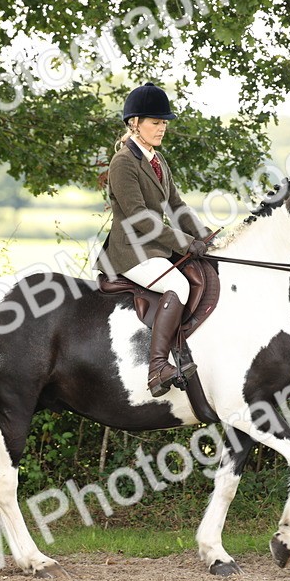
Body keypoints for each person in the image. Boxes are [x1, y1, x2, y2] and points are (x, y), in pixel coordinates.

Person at [93, 82, 211, 397]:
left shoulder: (157, 160)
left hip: (155, 247)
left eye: (164, 123)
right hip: (130, 251)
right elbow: (138, 218)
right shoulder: (123, 162)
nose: (163, 128)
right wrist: (185, 244)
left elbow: (177, 205)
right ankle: (157, 367)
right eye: (156, 122)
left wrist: (203, 236)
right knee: (180, 285)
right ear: (135, 124)